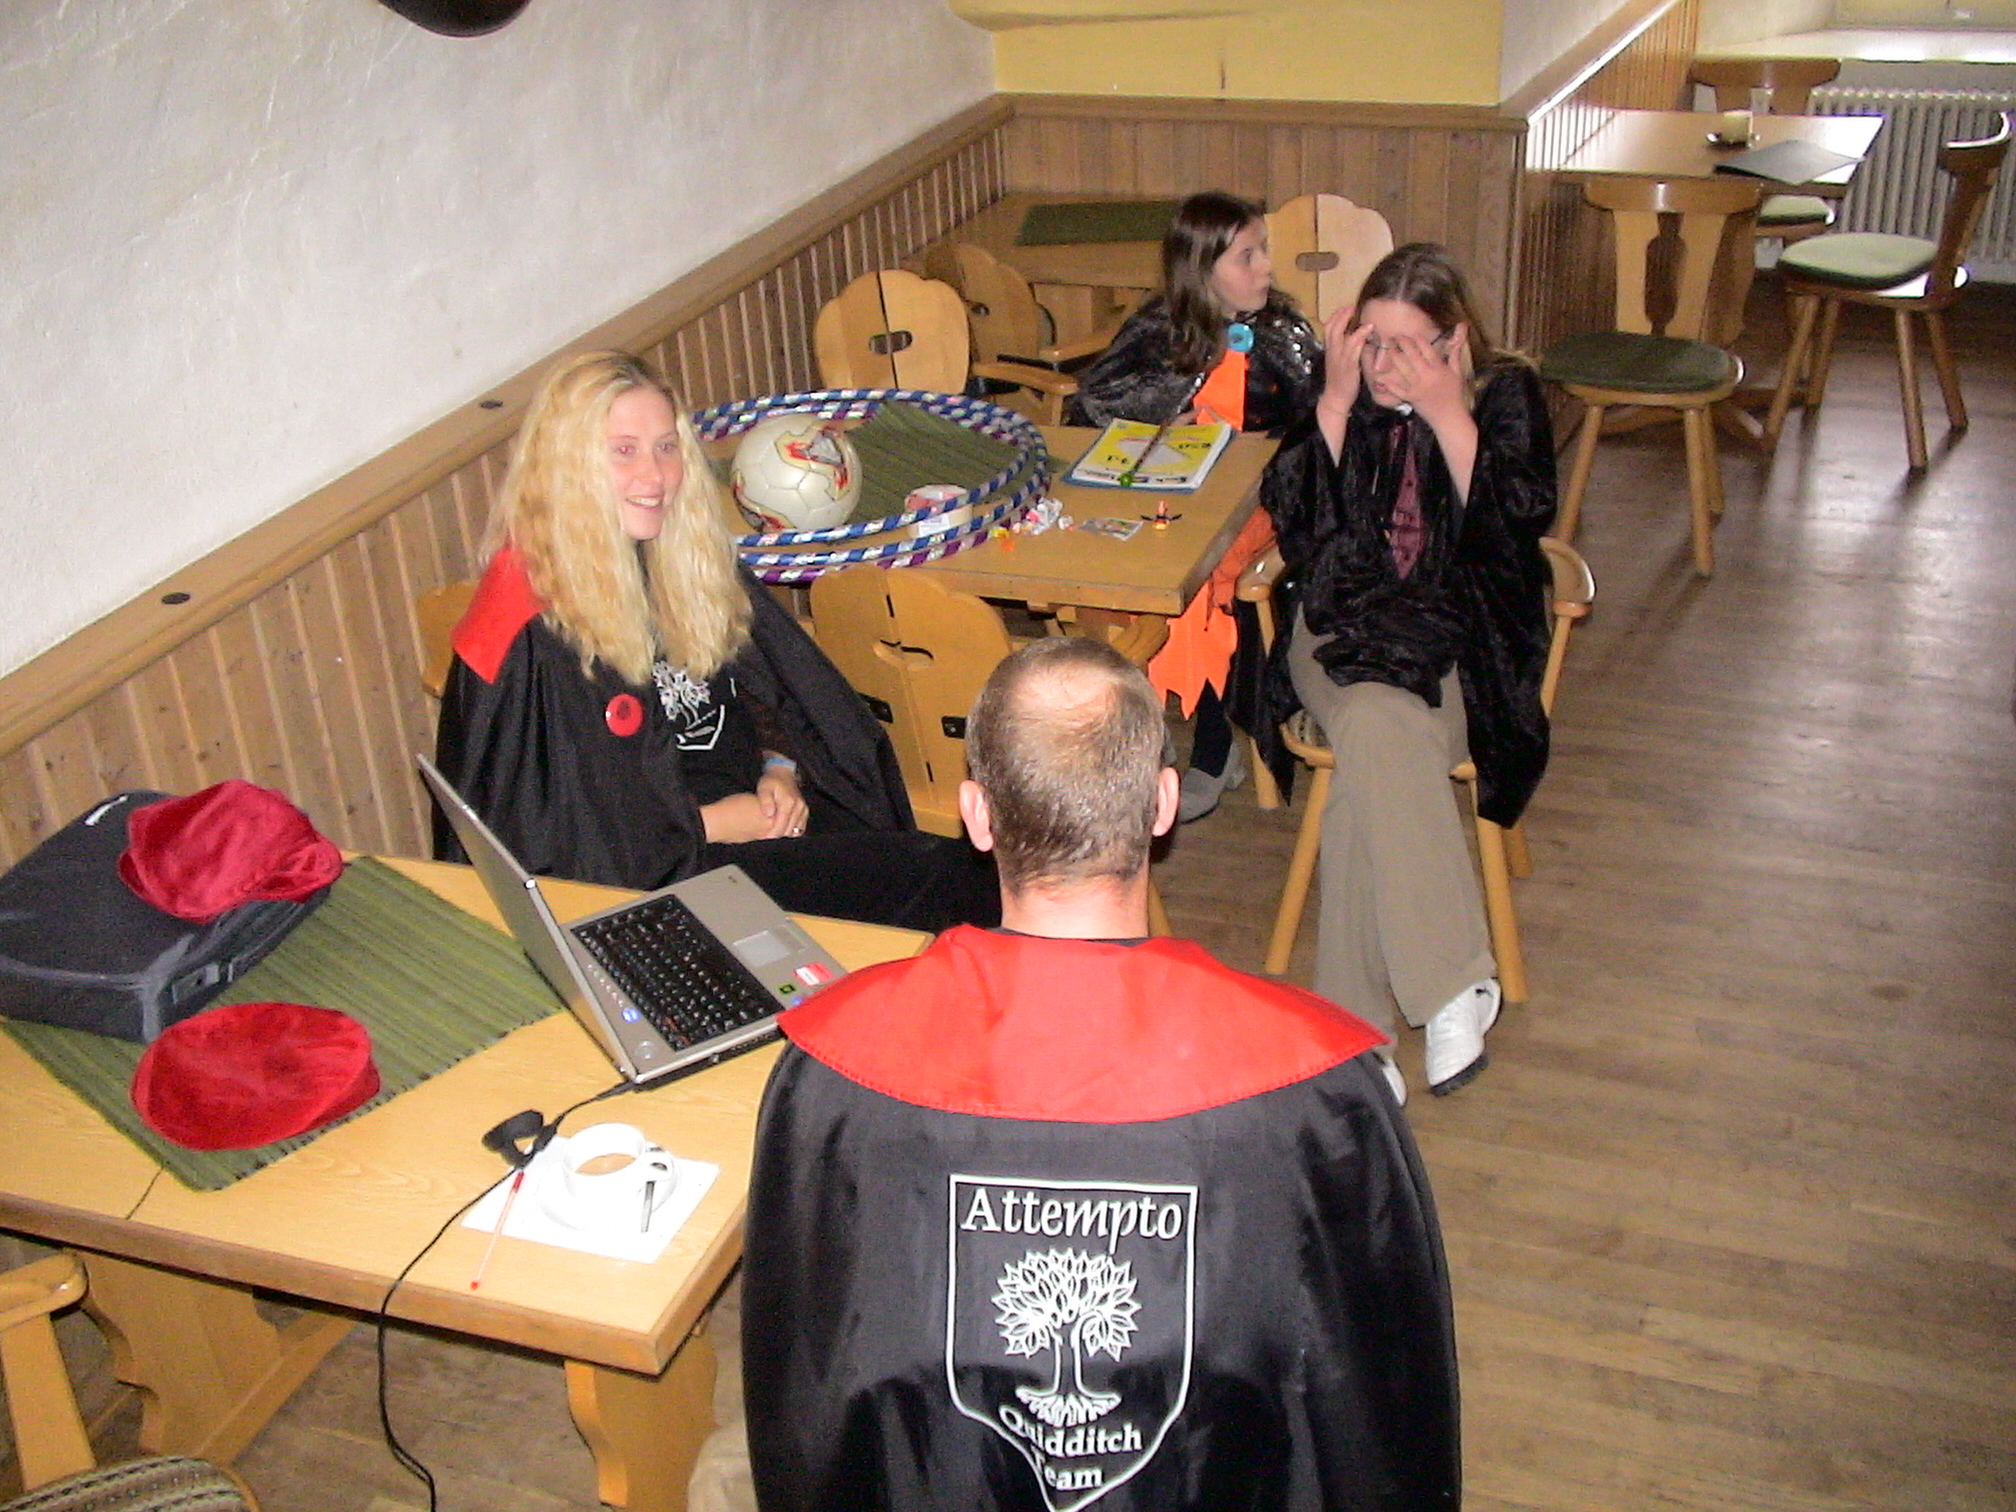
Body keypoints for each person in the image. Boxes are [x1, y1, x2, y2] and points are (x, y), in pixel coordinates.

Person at [742, 637, 1459, 1512]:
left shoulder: (829, 1071)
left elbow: (804, 1396)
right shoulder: (1325, 1094)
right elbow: (1382, 1415)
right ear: (1163, 803)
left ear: (976, 815)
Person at [433, 350, 998, 933]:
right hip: (661, 881)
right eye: (623, 451)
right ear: (566, 465)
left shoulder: (682, 556)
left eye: (666, 447)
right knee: (940, 879)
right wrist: (718, 824)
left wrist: (780, 769)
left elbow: (773, 693)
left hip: (753, 813)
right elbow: (565, 844)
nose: (654, 477)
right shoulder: (533, 622)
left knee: (949, 868)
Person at [1262, 243, 1556, 1102]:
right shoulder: (1345, 397)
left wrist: (1448, 414)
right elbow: (1300, 533)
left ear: (1454, 340)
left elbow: (1512, 538)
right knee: (1376, 721)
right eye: (1372, 341)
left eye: (1407, 344)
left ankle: (1353, 1032)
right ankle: (1453, 982)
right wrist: (1332, 402)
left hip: (1463, 647)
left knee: (1374, 735)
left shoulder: (1505, 398)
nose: (1386, 363)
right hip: (1339, 635)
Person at [1068, 190, 1323, 821]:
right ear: (1202, 269)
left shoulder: (1283, 332)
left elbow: (1316, 429)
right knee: (1140, 565)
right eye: (1247, 256)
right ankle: (1144, 726)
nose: (1266, 267)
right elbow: (1096, 405)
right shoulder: (1159, 330)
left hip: (1263, 507)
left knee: (1205, 578)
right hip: (1173, 499)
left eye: (1263, 251)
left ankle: (1213, 741)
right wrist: (1161, 421)